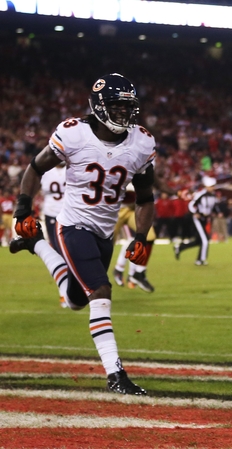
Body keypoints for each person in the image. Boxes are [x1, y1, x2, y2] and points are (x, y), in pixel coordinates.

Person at [9, 73, 152, 395]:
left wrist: (141, 236)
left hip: (105, 232)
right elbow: (35, 167)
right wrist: (22, 207)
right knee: (101, 292)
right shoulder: (73, 134)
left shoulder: (142, 142)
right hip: (73, 224)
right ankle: (115, 373)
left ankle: (36, 245)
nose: (123, 114)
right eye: (116, 107)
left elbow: (145, 198)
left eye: (127, 108)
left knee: (76, 300)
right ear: (100, 106)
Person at [174, 176, 218, 265]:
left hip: (205, 219)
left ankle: (180, 247)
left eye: (213, 186)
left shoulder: (213, 195)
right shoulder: (201, 194)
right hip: (198, 219)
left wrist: (216, 213)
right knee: (205, 240)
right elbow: (191, 205)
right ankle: (200, 260)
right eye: (211, 186)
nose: (212, 188)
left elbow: (212, 207)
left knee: (199, 241)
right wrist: (195, 212)